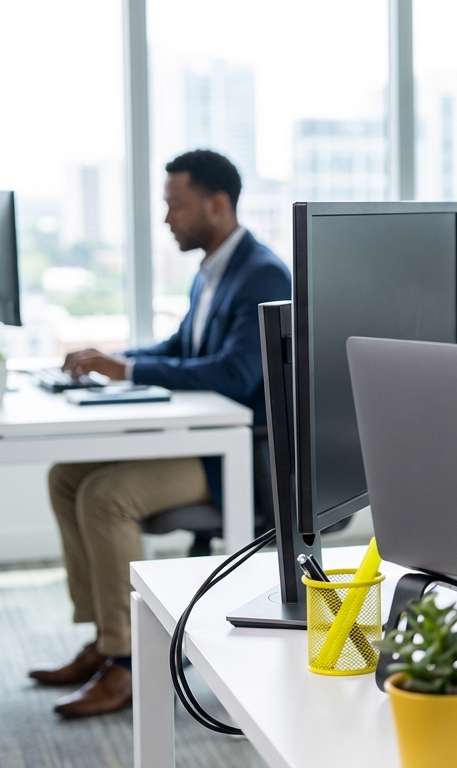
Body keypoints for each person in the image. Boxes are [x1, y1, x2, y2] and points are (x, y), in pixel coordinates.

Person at [27, 150, 290, 717]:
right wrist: (113, 359)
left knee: (105, 495)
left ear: (216, 205)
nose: (167, 218)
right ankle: (104, 637)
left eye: (176, 204)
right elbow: (181, 348)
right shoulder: (217, 268)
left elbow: (234, 373)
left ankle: (126, 663)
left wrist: (125, 371)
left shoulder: (262, 274)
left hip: (245, 456)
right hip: (204, 444)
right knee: (67, 477)